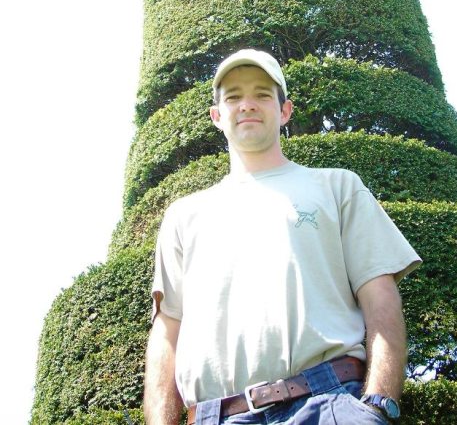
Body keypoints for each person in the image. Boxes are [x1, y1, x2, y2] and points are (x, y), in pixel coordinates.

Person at [144, 49, 422, 425]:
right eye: (233, 97)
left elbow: (380, 295)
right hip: (217, 415)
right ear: (216, 116)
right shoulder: (183, 216)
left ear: (285, 111)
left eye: (261, 94)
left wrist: (377, 404)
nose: (247, 105)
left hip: (328, 405)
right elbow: (167, 332)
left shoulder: (337, 187)